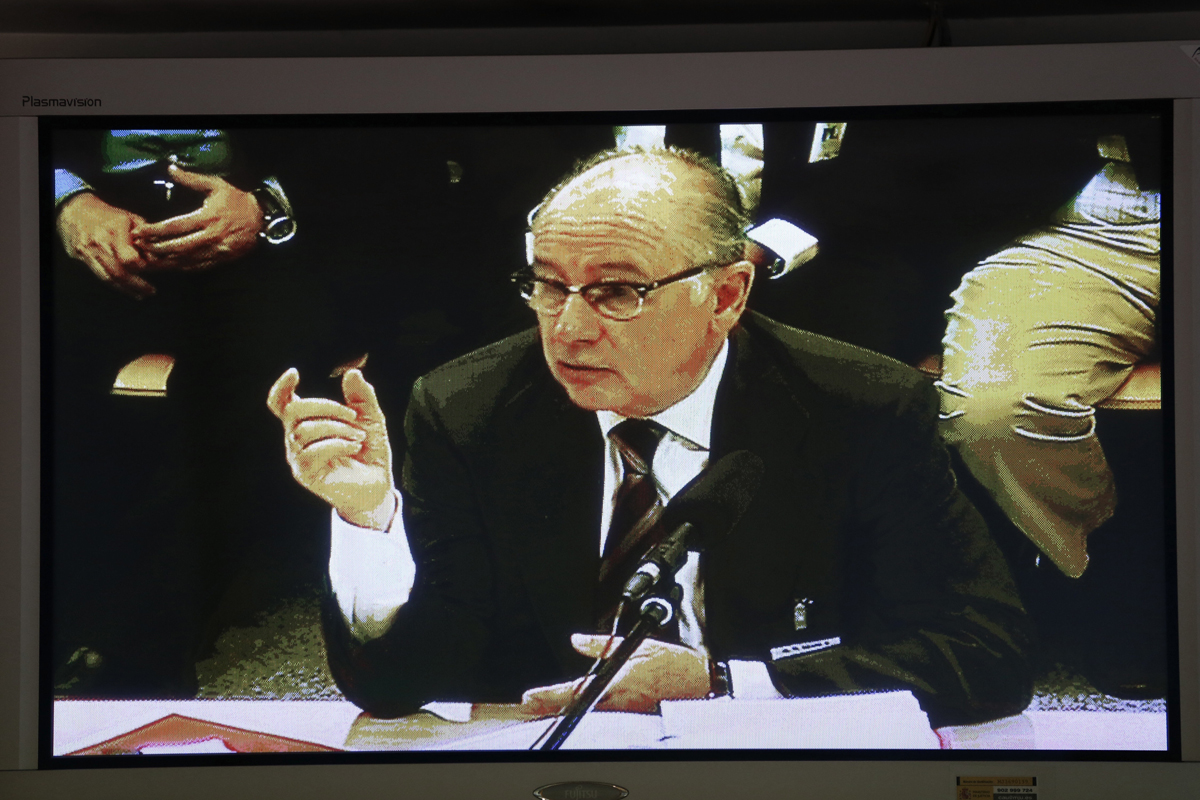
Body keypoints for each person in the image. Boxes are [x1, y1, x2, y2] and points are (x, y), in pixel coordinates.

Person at [268, 147, 1034, 729]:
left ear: (727, 294)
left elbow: (985, 653)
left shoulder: (858, 404)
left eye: (616, 290)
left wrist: (723, 685)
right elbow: (398, 687)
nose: (566, 328)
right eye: (546, 284)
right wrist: (369, 520)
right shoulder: (467, 408)